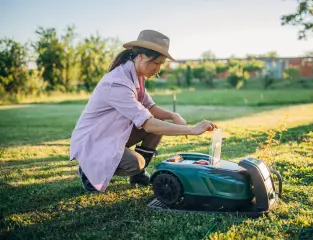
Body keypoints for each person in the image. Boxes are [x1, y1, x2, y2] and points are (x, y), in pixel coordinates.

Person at [70, 29, 217, 193]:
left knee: (159, 125)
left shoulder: (137, 77)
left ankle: (137, 176)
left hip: (109, 134)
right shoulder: (117, 83)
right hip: (94, 142)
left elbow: (150, 108)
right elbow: (147, 123)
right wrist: (192, 129)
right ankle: (89, 169)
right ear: (141, 57)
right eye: (155, 62)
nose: (158, 69)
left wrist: (173, 115)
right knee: (135, 163)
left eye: (161, 64)